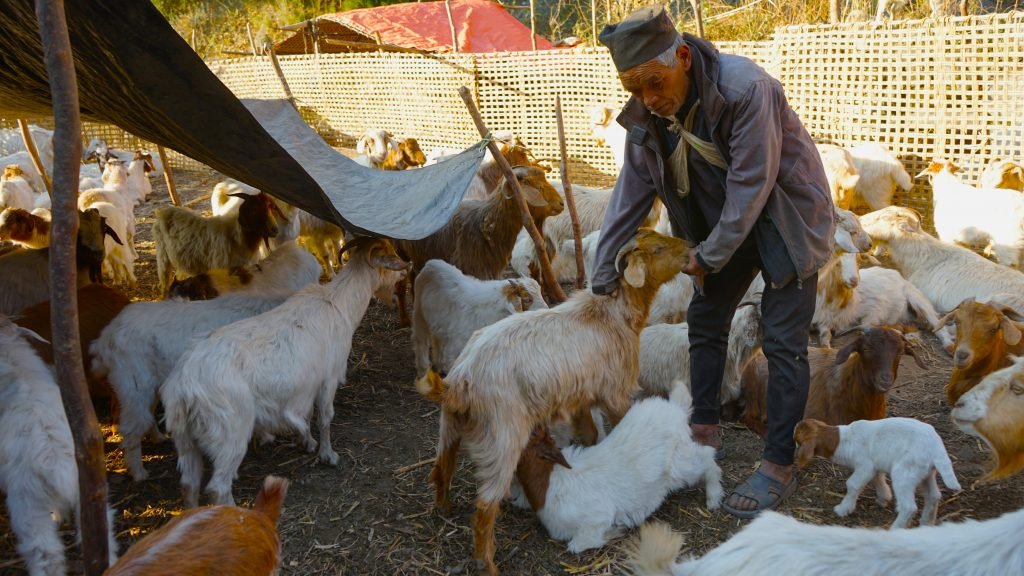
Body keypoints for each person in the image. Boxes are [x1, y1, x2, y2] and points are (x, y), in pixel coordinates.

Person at [591, 5, 835, 518]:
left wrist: (708, 256)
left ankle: (778, 463)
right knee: (704, 319)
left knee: (784, 338)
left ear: (683, 57)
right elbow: (629, 193)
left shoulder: (746, 90)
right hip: (720, 223)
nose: (648, 100)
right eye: (635, 90)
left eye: (655, 84)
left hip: (783, 213)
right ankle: (703, 430)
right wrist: (601, 278)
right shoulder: (649, 117)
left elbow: (752, 185)